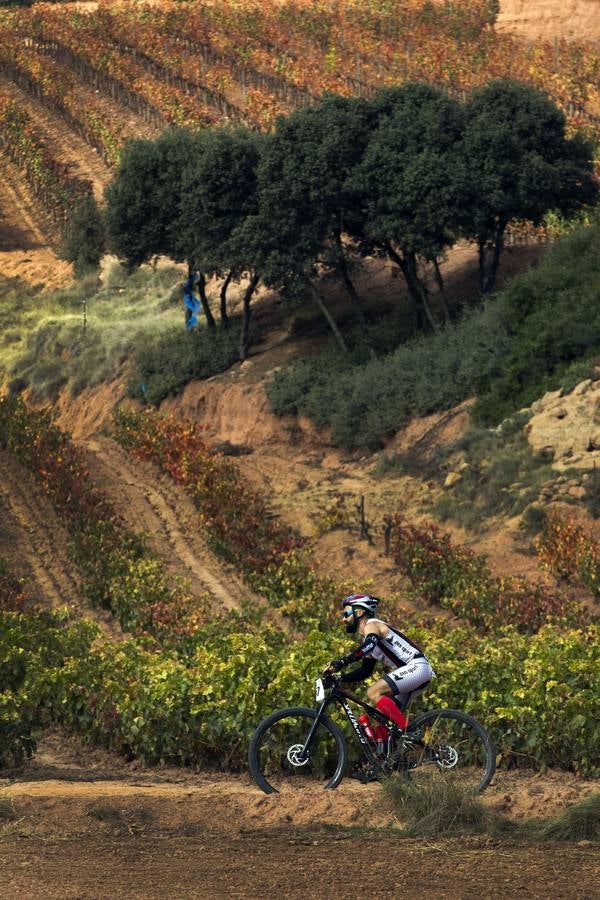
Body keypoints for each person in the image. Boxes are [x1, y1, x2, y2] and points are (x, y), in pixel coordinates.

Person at [325, 593, 435, 730]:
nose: (343, 619)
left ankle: (408, 731)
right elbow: (365, 671)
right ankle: (409, 745)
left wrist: (342, 662)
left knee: (373, 692)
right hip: (415, 673)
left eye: (346, 613)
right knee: (381, 723)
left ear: (359, 612)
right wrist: (340, 678)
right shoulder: (368, 638)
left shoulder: (372, 625)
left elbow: (370, 644)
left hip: (417, 667)